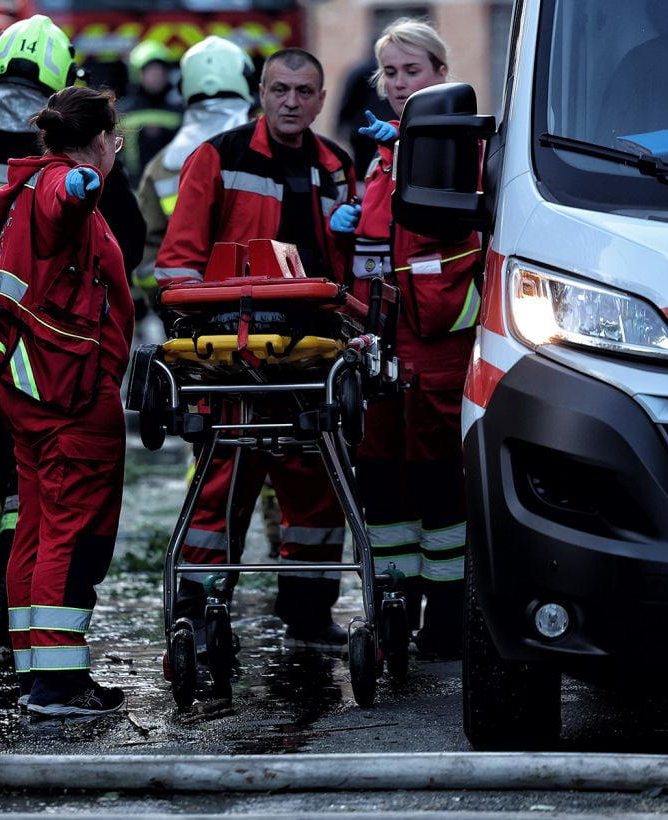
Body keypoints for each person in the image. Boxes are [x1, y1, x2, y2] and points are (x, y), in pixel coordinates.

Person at [0, 14, 145, 651]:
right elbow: (109, 231)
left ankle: (13, 630)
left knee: (20, 497)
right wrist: (94, 182)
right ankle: (45, 664)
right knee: (55, 513)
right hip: (53, 365)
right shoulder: (61, 175)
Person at [155, 48, 357, 650]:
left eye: (303, 92)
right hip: (234, 355)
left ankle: (309, 611)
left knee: (317, 480)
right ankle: (194, 610)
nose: (291, 102)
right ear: (261, 93)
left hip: (312, 352)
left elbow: (346, 273)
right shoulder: (219, 158)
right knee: (220, 480)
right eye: (280, 90)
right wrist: (201, 339)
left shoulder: (335, 166)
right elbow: (178, 265)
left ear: (321, 100)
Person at [329, 18, 482, 658]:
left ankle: (446, 623)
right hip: (380, 348)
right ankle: (393, 609)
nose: (396, 84)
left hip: (436, 350)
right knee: (383, 488)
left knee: (439, 491)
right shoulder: (384, 155)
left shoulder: (463, 151)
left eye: (411, 71)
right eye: (389, 72)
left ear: (441, 76)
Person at [133, 35, 254, 304]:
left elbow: (147, 249)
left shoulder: (162, 164)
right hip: (265, 296)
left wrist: (162, 303)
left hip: (189, 307)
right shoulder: (268, 147)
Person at [117, 40, 183, 182]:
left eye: (160, 71)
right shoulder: (123, 111)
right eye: (150, 71)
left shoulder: (179, 112)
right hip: (132, 187)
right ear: (137, 73)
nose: (156, 76)